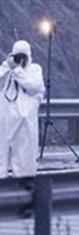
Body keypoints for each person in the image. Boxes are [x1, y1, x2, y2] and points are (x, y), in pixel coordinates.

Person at [0, 40, 45, 179]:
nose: (20, 60)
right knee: (2, 152)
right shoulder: (5, 69)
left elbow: (34, 86)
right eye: (17, 56)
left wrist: (18, 71)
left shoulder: (34, 70)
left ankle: (24, 183)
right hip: (6, 119)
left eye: (22, 57)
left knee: (25, 156)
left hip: (25, 121)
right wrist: (9, 67)